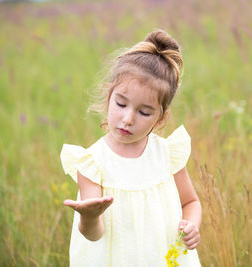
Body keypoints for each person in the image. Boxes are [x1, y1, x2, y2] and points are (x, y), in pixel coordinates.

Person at [60, 29, 202, 266]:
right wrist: (89, 217)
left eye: (144, 112)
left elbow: (191, 203)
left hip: (165, 258)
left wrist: (191, 225)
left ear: (160, 118)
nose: (128, 119)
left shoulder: (167, 155)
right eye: (121, 103)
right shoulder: (91, 163)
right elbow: (93, 234)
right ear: (109, 97)